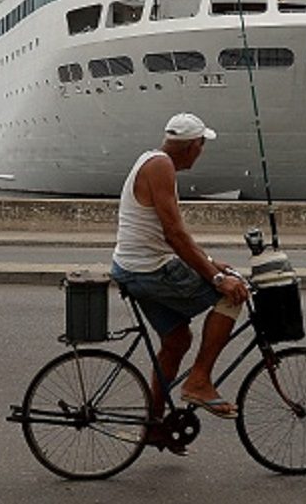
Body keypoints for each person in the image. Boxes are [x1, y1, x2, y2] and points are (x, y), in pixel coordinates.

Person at [110, 112, 251, 454]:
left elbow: (176, 234)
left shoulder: (153, 161)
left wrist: (210, 262)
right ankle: (199, 381)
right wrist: (217, 277)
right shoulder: (161, 167)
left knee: (177, 339)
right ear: (192, 146)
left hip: (133, 266)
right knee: (232, 296)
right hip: (150, 270)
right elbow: (174, 235)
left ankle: (154, 425)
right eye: (202, 145)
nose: (201, 153)